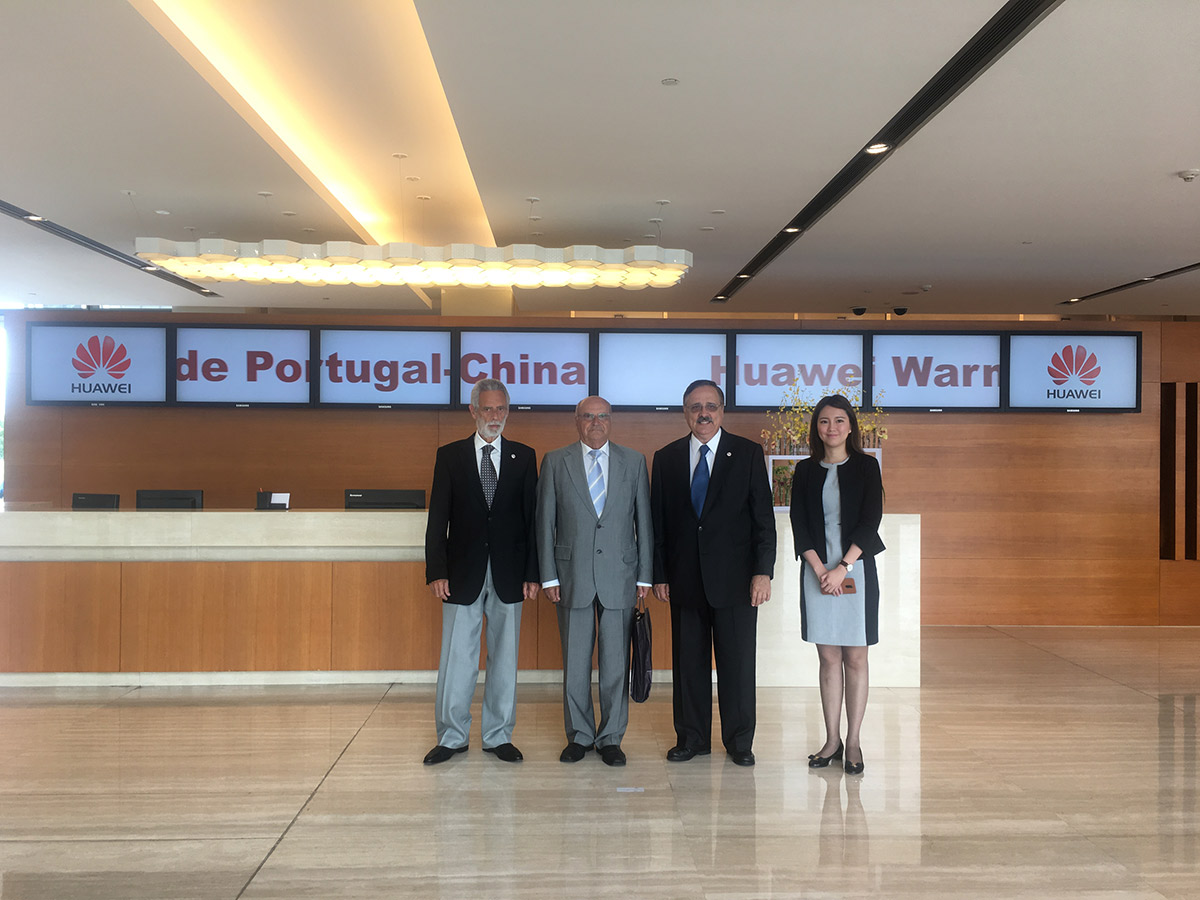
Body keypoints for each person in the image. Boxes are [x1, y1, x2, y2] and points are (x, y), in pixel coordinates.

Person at [651, 379, 776, 767]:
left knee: (737, 665)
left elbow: (763, 520)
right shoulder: (666, 457)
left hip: (737, 581)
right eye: (695, 407)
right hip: (684, 579)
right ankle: (692, 739)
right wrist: (659, 573)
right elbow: (659, 524)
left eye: (710, 406)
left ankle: (740, 742)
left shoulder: (748, 453)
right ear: (685, 412)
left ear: (722, 411)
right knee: (689, 665)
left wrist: (763, 572)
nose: (703, 413)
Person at [423, 378, 539, 765]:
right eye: (487, 408)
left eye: (501, 408)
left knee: (504, 659)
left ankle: (498, 735)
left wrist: (533, 573)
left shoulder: (524, 457)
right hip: (461, 573)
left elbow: (532, 521)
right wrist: (436, 570)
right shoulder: (449, 456)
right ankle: (452, 737)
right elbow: (438, 518)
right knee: (458, 658)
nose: (495, 415)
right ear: (473, 411)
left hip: (510, 573)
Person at [536, 395, 653, 767]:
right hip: (571, 576)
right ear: (576, 421)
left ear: (611, 420)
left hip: (621, 575)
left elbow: (644, 522)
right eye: (588, 416)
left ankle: (611, 738)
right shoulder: (556, 461)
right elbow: (544, 522)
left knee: (616, 663)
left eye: (603, 416)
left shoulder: (634, 461)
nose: (596, 422)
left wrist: (646, 575)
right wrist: (548, 576)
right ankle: (580, 736)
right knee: (575, 662)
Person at [789, 394, 884, 776]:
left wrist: (843, 567)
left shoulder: (866, 466)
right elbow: (799, 524)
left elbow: (871, 520)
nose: (832, 427)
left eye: (839, 420)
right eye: (825, 421)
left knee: (856, 658)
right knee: (828, 658)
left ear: (850, 427)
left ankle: (854, 740)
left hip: (855, 570)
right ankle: (832, 740)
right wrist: (819, 569)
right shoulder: (804, 470)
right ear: (817, 427)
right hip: (816, 571)